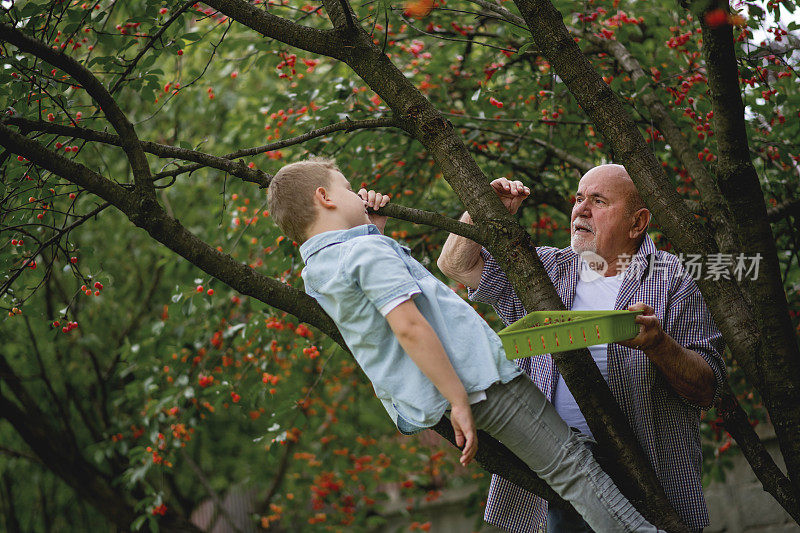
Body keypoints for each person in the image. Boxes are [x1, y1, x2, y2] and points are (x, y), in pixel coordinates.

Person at [267, 157, 664, 532]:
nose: (360, 196)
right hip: (476, 380)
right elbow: (407, 327)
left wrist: (375, 231)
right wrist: (457, 398)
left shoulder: (319, 270)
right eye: (349, 189)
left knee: (565, 464)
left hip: (427, 398)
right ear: (325, 197)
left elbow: (375, 324)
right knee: (572, 465)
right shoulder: (365, 252)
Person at [437, 164, 726, 533]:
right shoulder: (543, 269)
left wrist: (659, 345)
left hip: (647, 479)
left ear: (637, 223)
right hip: (557, 474)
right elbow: (455, 265)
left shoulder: (673, 280)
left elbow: (706, 388)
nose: (581, 209)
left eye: (598, 200)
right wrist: (483, 209)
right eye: (578, 198)